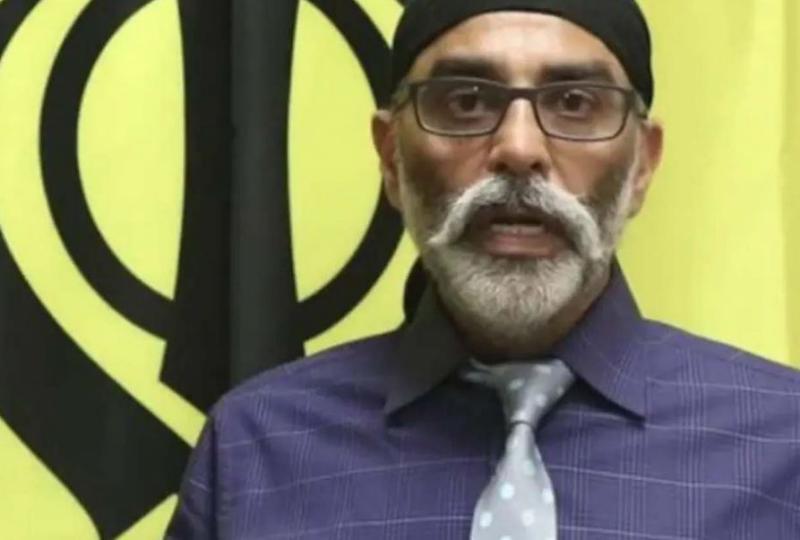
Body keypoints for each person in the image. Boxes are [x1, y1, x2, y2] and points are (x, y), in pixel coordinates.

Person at [167, 0, 800, 538]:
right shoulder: (254, 452)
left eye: (574, 102)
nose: (519, 149)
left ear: (642, 166)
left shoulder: (785, 445)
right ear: (391, 159)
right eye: (466, 101)